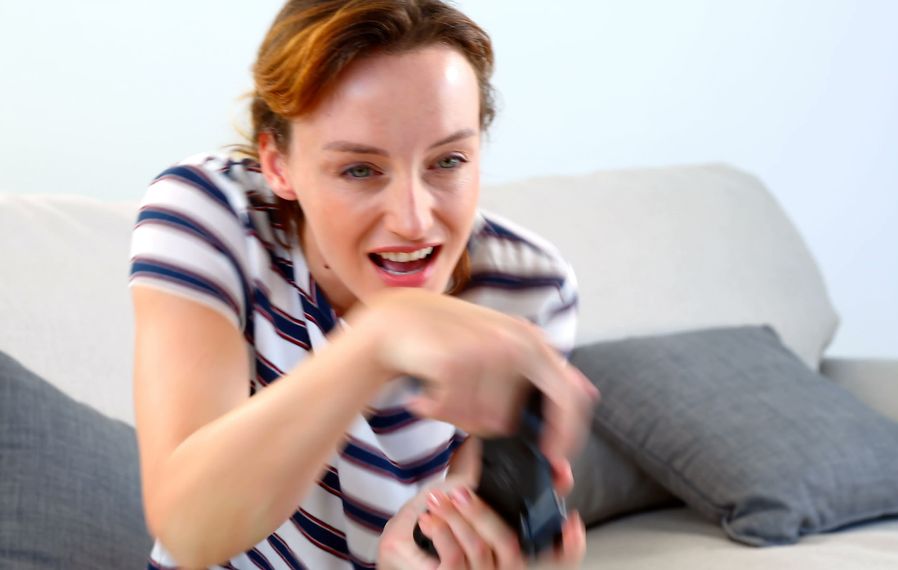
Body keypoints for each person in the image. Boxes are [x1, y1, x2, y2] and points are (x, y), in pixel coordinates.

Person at [128, 1, 597, 568]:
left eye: (448, 161)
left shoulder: (525, 287)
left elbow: (458, 514)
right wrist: (379, 336)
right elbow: (190, 531)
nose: (414, 219)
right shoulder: (212, 215)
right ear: (278, 164)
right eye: (359, 169)